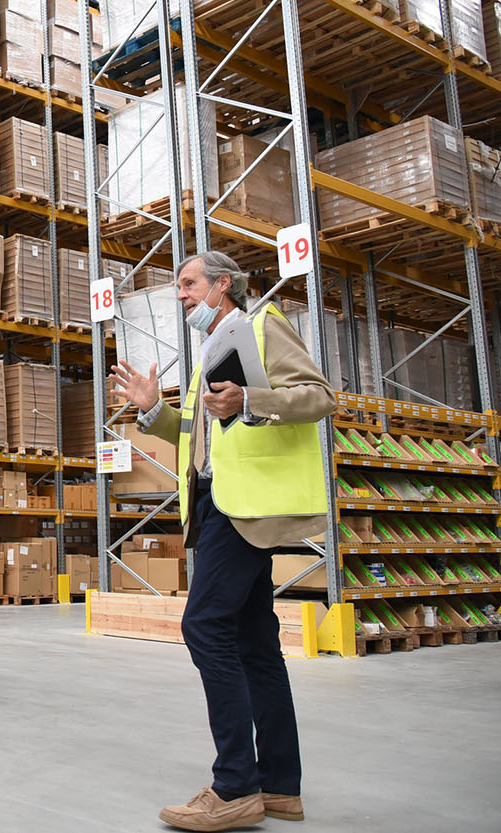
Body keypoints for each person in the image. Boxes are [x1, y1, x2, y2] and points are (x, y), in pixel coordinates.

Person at [112, 251, 332, 832]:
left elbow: (317, 396)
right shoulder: (211, 351)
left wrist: (250, 401)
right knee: (255, 643)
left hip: (243, 507)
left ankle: (235, 785)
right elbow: (198, 431)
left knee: (204, 626)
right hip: (218, 505)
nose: (180, 294)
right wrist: (153, 410)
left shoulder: (261, 325)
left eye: (188, 284)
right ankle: (281, 787)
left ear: (221, 284)